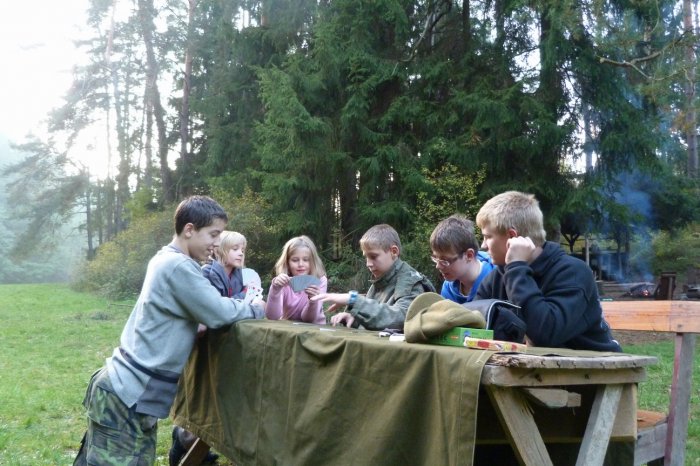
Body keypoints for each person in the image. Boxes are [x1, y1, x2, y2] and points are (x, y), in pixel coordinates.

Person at [74, 195, 265, 466]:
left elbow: (176, 314)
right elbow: (219, 311)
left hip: (120, 389)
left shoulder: (164, 258)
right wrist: (256, 308)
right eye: (213, 234)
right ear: (189, 230)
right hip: (127, 395)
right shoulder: (179, 266)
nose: (217, 243)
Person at [474, 191, 620, 352]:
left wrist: (516, 267)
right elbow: (472, 325)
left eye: (487, 237)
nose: (483, 246)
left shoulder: (573, 272)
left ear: (512, 236)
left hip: (597, 364)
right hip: (537, 365)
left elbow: (545, 335)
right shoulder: (497, 277)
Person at [169, 230, 263, 466]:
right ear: (220, 250)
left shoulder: (241, 275)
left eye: (243, 249)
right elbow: (215, 311)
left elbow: (239, 302)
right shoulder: (207, 274)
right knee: (201, 400)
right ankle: (184, 443)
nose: (240, 253)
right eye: (235, 249)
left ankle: (198, 448)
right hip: (204, 347)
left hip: (226, 346)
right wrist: (248, 305)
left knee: (220, 399)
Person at [312, 224, 435, 330]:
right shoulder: (382, 280)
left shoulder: (410, 282)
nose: (368, 264)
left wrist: (353, 299)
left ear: (394, 251)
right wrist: (354, 320)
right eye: (366, 257)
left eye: (373, 256)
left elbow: (402, 319)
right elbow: (378, 321)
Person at [429, 214, 495, 304]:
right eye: (435, 258)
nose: (438, 266)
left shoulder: (497, 280)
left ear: (469, 255)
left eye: (445, 260)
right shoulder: (448, 287)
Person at [265, 235, 328, 324]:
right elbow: (272, 316)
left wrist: (313, 301)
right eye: (295, 260)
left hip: (315, 328)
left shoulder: (320, 280)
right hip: (288, 328)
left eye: (306, 260)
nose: (300, 264)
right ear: (287, 262)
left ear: (313, 261)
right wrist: (275, 289)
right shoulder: (283, 282)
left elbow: (308, 319)